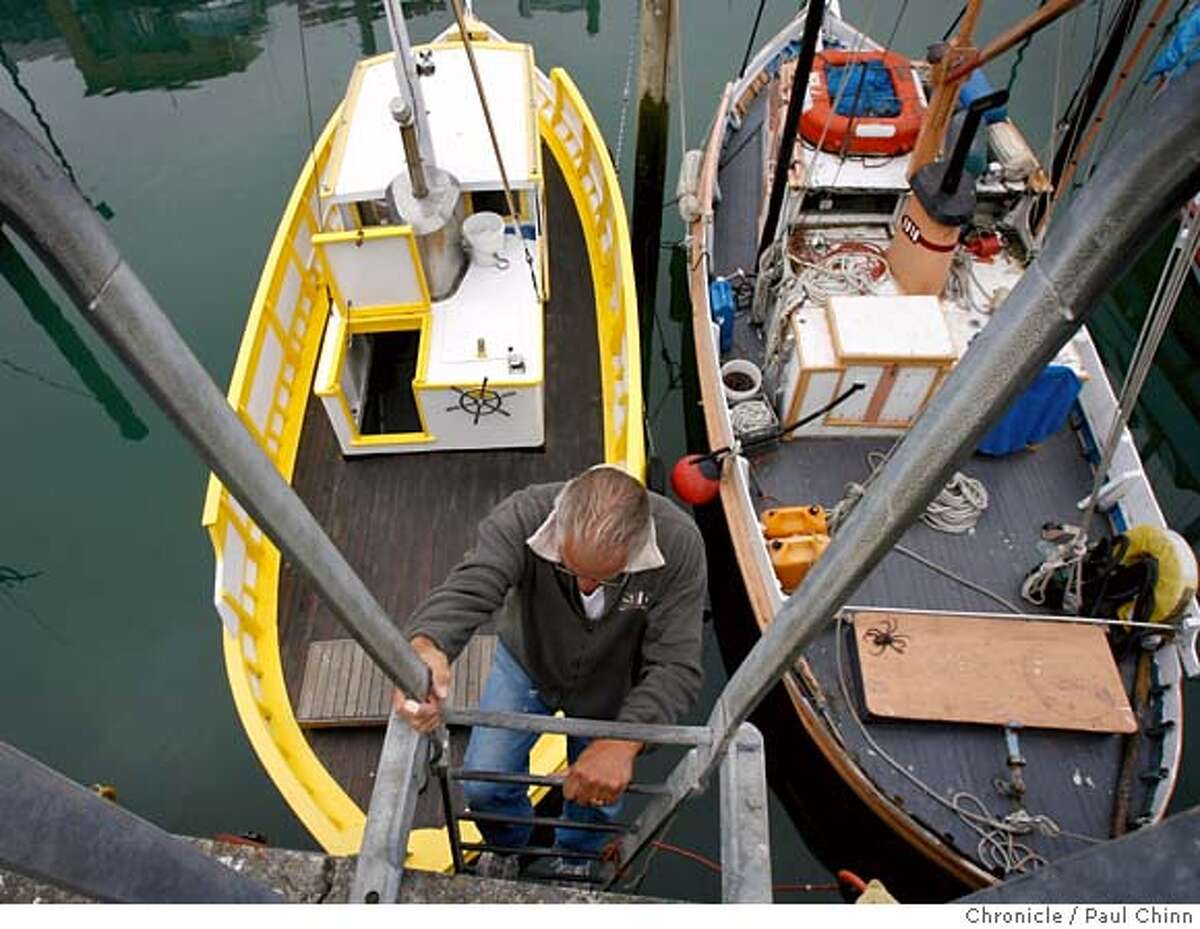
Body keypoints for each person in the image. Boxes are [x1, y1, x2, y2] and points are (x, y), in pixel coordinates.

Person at [393, 464, 706, 877]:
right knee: (484, 785)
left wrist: (623, 742)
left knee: (599, 797)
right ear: (558, 528)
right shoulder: (522, 515)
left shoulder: (680, 546)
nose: (587, 587)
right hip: (528, 661)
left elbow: (675, 663)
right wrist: (427, 645)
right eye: (571, 569)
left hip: (612, 686)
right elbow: (473, 584)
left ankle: (576, 858)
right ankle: (506, 847)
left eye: (606, 579)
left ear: (637, 549)